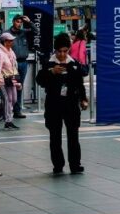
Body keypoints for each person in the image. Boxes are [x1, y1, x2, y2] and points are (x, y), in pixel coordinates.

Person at [36, 34, 87, 175]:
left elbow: (79, 83)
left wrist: (83, 99)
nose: (62, 54)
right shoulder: (49, 64)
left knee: (73, 135)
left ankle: (75, 165)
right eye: (59, 51)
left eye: (65, 51)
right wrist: (51, 72)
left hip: (71, 104)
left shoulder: (73, 64)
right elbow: (39, 80)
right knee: (55, 136)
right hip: (54, 104)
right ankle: (58, 165)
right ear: (55, 50)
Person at [0, 33, 22, 129]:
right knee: (7, 100)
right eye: (8, 41)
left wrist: (17, 80)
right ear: (3, 41)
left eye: (11, 41)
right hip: (3, 81)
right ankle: (8, 121)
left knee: (13, 100)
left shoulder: (11, 52)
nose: (11, 42)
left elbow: (13, 67)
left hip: (11, 80)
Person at [7, 15, 34, 119]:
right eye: (18, 22)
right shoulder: (7, 33)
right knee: (9, 87)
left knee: (19, 87)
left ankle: (17, 111)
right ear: (13, 21)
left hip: (23, 63)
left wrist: (29, 21)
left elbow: (36, 31)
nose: (19, 24)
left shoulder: (23, 32)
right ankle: (6, 110)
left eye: (21, 22)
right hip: (11, 64)